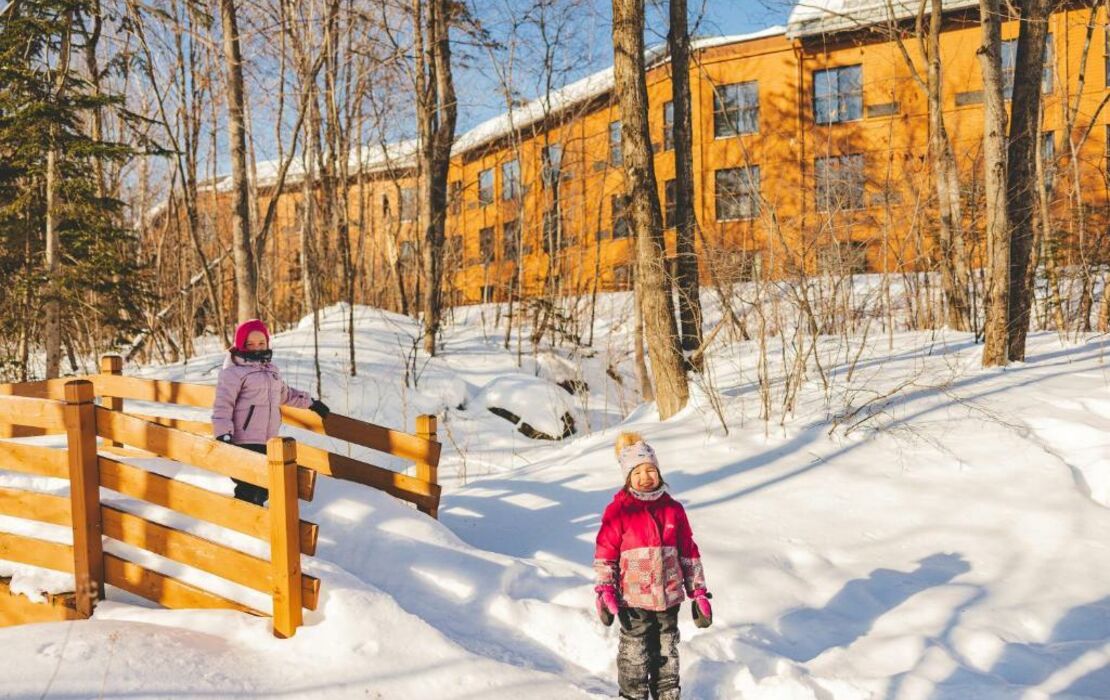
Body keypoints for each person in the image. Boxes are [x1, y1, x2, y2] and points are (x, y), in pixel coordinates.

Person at [593, 432, 712, 700]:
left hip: (668, 597)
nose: (646, 477)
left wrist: (699, 592)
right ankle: (632, 696)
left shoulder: (673, 510)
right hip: (632, 599)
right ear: (628, 478)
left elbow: (689, 553)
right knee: (634, 651)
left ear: (659, 472)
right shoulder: (619, 511)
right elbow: (605, 554)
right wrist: (604, 589)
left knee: (667, 650)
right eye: (638, 472)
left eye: (651, 470)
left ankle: (667, 694)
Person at [211, 319, 329, 505]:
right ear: (241, 345)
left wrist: (311, 403)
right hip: (243, 440)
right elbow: (223, 405)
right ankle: (242, 523)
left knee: (266, 486)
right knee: (248, 486)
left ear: (267, 343)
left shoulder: (271, 371)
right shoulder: (233, 373)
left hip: (268, 440)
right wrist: (223, 433)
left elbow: (285, 394)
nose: (256, 348)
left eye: (261, 343)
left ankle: (255, 522)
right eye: (250, 344)